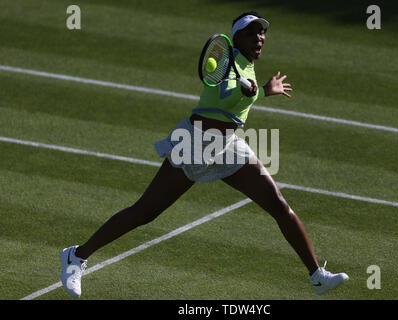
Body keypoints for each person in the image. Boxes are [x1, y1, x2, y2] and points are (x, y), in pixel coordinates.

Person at [60, 11, 348, 298]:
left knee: (278, 204)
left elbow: (239, 100)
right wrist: (251, 90)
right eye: (252, 32)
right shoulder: (227, 61)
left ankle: (316, 275)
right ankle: (77, 256)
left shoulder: (246, 65)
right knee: (145, 211)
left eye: (262, 33)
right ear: (236, 38)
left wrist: (259, 91)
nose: (260, 37)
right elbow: (224, 93)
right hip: (195, 143)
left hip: (227, 144)